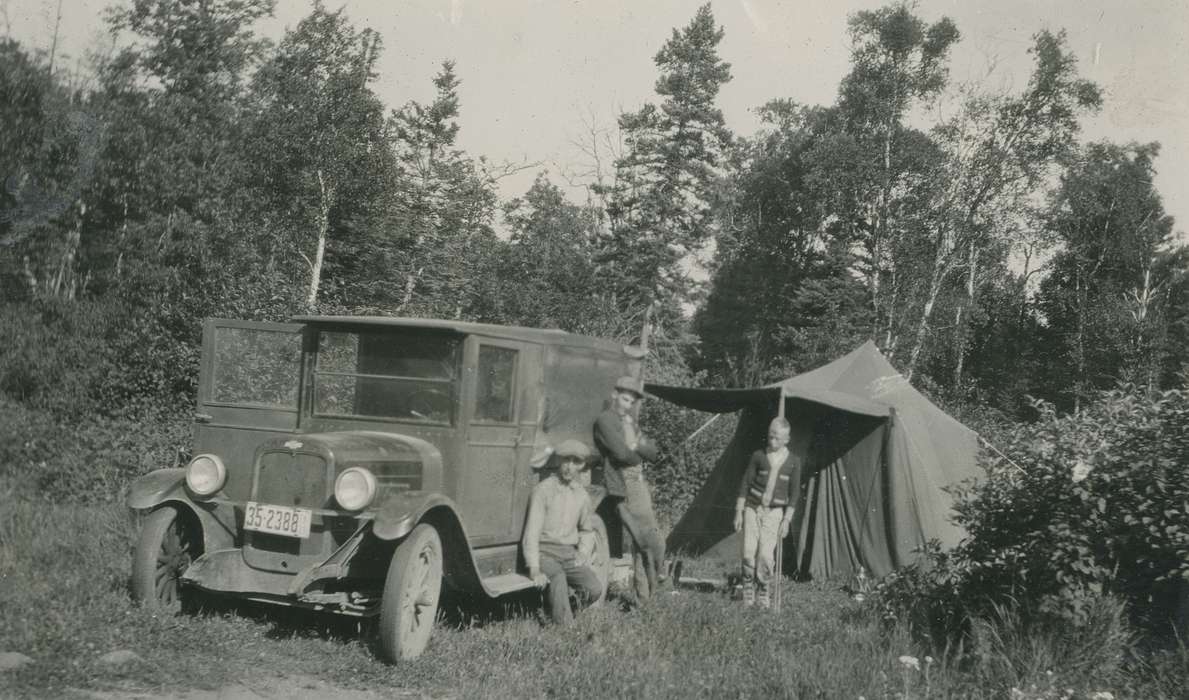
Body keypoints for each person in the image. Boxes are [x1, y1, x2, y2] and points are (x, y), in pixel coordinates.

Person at [593, 376, 664, 600]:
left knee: (646, 542)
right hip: (623, 484)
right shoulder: (605, 420)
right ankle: (652, 592)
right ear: (615, 395)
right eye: (625, 399)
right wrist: (636, 449)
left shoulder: (631, 423)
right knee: (648, 541)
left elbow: (653, 452)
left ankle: (648, 596)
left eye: (632, 402)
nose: (628, 405)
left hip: (638, 482)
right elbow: (621, 454)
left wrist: (634, 446)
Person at [522, 438, 603, 625]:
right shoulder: (543, 490)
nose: (569, 467)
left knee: (594, 588)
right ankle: (564, 629)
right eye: (566, 460)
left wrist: (582, 552)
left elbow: (587, 530)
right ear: (558, 462)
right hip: (545, 553)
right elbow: (531, 533)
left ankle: (561, 610)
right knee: (557, 576)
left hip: (568, 554)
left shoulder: (581, 495)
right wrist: (534, 568)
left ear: (581, 466)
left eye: (575, 462)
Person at [733, 416, 803, 609]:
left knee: (765, 554)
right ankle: (748, 589)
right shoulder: (758, 456)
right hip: (752, 509)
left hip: (774, 514)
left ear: (786, 439)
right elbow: (745, 484)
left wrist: (787, 520)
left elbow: (795, 493)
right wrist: (739, 511)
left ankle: (763, 590)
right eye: (770, 436)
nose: (772, 441)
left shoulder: (794, 462)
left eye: (777, 438)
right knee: (748, 551)